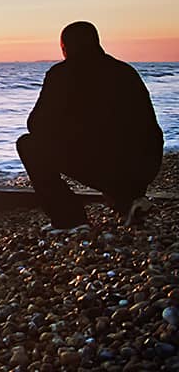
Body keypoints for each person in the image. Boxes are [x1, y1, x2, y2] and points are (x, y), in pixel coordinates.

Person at [17, 21, 163, 228]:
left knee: (28, 144)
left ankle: (69, 219)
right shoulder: (125, 71)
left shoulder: (61, 74)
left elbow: (36, 124)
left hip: (104, 163)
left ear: (65, 47)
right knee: (110, 148)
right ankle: (130, 200)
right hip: (147, 164)